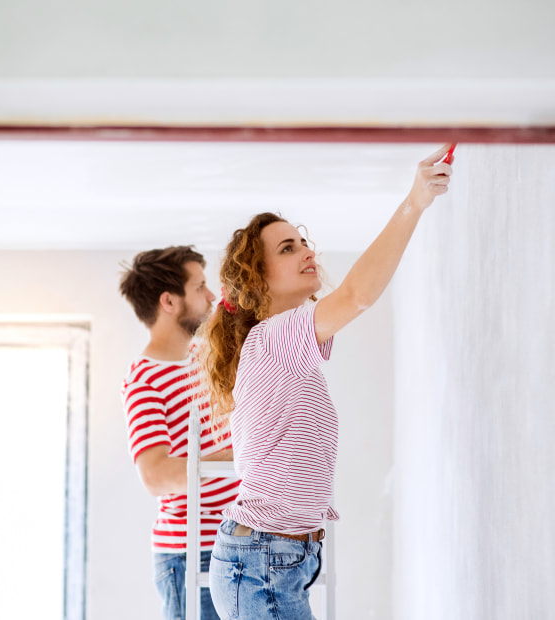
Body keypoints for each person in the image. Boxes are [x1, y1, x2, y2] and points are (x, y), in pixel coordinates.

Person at [199, 145, 455, 619]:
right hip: (261, 564)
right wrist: (413, 202)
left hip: (274, 559)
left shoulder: (284, 343)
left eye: (303, 241)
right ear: (257, 282)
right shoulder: (273, 338)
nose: (307, 251)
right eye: (287, 248)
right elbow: (356, 296)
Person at [119, 245, 240, 620]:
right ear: (169, 301)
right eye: (201, 286)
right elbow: (155, 476)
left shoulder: (206, 356)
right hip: (191, 554)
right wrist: (240, 456)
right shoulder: (144, 379)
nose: (211, 297)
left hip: (235, 541)